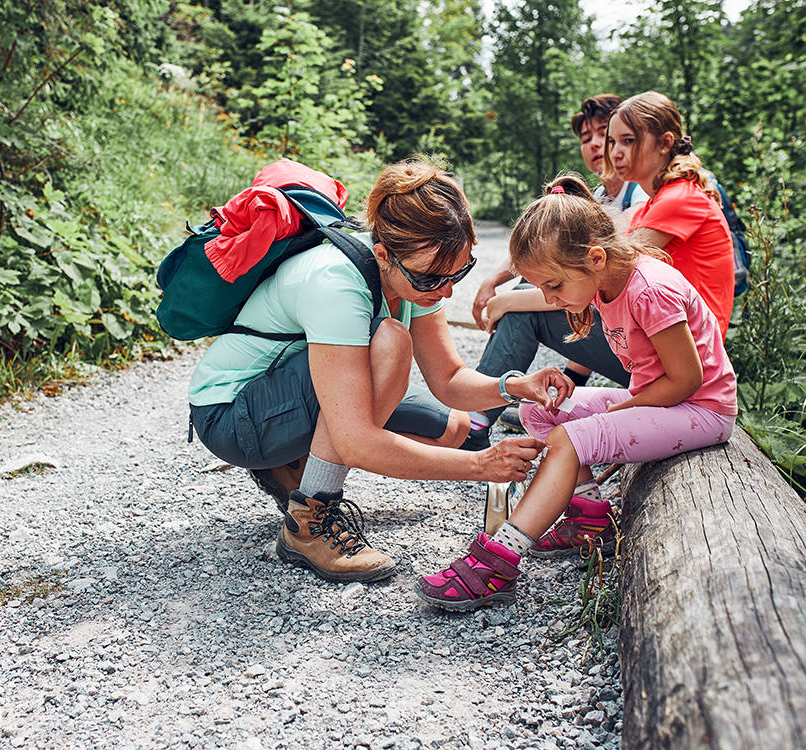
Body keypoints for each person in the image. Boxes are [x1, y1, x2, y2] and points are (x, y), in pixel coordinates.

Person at [188, 157, 573, 584]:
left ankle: (295, 460)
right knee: (390, 342)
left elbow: (448, 380)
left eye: (458, 274)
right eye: (431, 279)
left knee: (453, 430)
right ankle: (308, 521)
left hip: (285, 394)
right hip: (232, 415)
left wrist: (516, 386)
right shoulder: (336, 282)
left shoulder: (417, 272)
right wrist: (482, 466)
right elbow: (356, 442)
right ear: (383, 254)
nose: (445, 291)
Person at [415, 174, 737, 611]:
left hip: (701, 410)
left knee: (572, 436)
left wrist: (616, 411)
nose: (549, 297)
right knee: (541, 409)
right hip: (664, 399)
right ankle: (590, 521)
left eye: (554, 286)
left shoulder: (651, 291)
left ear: (597, 257)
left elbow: (686, 380)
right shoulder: (604, 282)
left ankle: (499, 557)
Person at [463, 94, 644, 449]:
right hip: (625, 338)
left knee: (522, 306)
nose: (595, 144)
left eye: (605, 135)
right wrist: (494, 279)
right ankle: (485, 413)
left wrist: (507, 302)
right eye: (585, 137)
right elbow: (545, 252)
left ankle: (475, 420)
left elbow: (598, 286)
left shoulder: (640, 197)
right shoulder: (598, 198)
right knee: (531, 285)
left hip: (656, 352)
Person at [604, 90, 735, 337]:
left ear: (664, 143)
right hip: (668, 334)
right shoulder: (653, 205)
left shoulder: (679, 198)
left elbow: (609, 271)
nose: (615, 152)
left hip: (694, 350)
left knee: (530, 315)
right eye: (612, 142)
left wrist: (512, 302)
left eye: (628, 141)